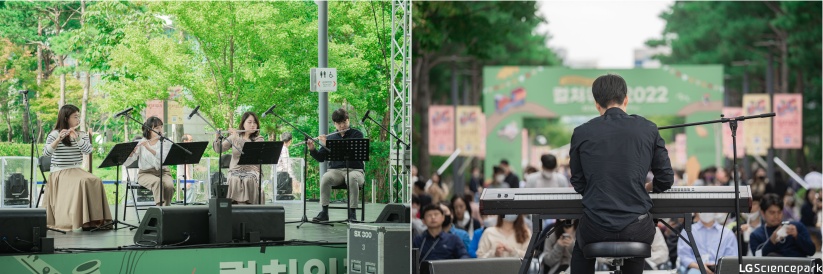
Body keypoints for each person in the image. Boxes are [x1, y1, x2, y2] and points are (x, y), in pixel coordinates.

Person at [569, 74, 674, 274]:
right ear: (626, 99)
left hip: (596, 225)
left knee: (580, 248)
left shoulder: (581, 132)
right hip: (637, 227)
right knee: (636, 240)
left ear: (596, 104)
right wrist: (648, 187)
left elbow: (578, 182)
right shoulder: (649, 128)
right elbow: (666, 179)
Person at [42, 104, 112, 231]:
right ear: (66, 118)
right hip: (60, 171)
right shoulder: (54, 134)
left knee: (96, 180)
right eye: (75, 117)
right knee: (83, 181)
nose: (78, 119)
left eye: (78, 116)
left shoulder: (81, 134)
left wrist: (77, 138)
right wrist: (58, 139)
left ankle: (93, 220)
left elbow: (88, 150)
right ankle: (79, 221)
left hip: (76, 169)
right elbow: (46, 153)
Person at [308, 108, 365, 221]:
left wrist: (329, 145)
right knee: (325, 178)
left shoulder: (357, 134)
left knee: (351, 177)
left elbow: (353, 151)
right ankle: (324, 212)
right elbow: (320, 158)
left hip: (355, 170)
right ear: (335, 124)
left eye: (344, 122)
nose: (342, 125)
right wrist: (313, 149)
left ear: (348, 120)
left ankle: (352, 213)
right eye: (339, 123)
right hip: (336, 171)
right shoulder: (330, 137)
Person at [213, 111, 265, 204]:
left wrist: (236, 137)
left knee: (249, 179)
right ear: (243, 124)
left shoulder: (259, 139)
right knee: (234, 179)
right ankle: (236, 207)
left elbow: (246, 151)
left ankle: (250, 207)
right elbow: (218, 149)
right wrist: (217, 137)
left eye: (255, 122)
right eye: (249, 122)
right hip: (235, 170)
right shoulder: (234, 137)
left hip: (252, 170)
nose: (253, 125)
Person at [125, 116, 174, 206]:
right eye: (156, 127)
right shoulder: (141, 142)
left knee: (169, 186)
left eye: (161, 127)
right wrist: (131, 153)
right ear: (149, 130)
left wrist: (148, 148)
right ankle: (159, 208)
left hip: (163, 172)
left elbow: (163, 159)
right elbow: (126, 163)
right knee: (157, 182)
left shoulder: (165, 142)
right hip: (145, 174)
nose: (160, 130)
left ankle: (166, 208)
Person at [749, 193, 816, 257]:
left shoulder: (796, 226)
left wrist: (797, 236)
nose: (776, 216)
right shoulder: (756, 235)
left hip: (798, 266)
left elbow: (811, 251)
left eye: (779, 212)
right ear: (763, 213)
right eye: (772, 213)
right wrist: (771, 241)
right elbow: (757, 258)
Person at [178, 134, 197, 203]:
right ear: (185, 141)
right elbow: (186, 166)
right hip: (185, 178)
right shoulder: (185, 151)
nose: (192, 142)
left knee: (187, 197)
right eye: (190, 140)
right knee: (189, 199)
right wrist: (188, 180)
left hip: (184, 177)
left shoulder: (182, 150)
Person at [275, 132, 295, 200]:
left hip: (277, 173)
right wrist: (292, 176)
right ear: (290, 141)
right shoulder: (284, 149)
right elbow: (285, 164)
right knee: (284, 195)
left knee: (279, 194)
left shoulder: (278, 147)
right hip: (283, 174)